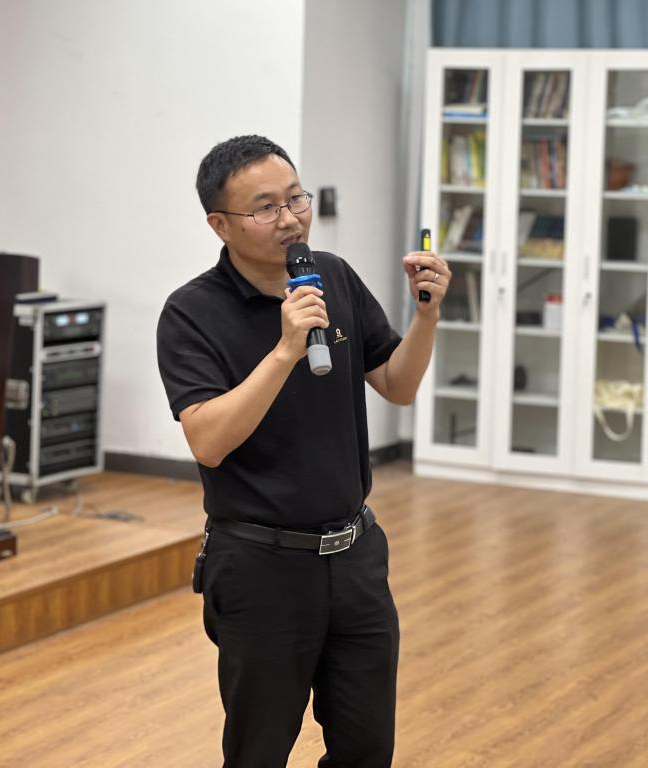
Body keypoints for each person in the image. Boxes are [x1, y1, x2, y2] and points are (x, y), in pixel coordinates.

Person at [156, 135, 449, 767]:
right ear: (220, 225)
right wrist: (287, 349)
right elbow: (208, 441)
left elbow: (396, 385)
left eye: (296, 198)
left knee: (367, 749)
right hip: (261, 568)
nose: (290, 218)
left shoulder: (332, 276)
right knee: (259, 752)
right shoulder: (190, 313)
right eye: (265, 207)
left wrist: (425, 317)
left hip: (355, 559)